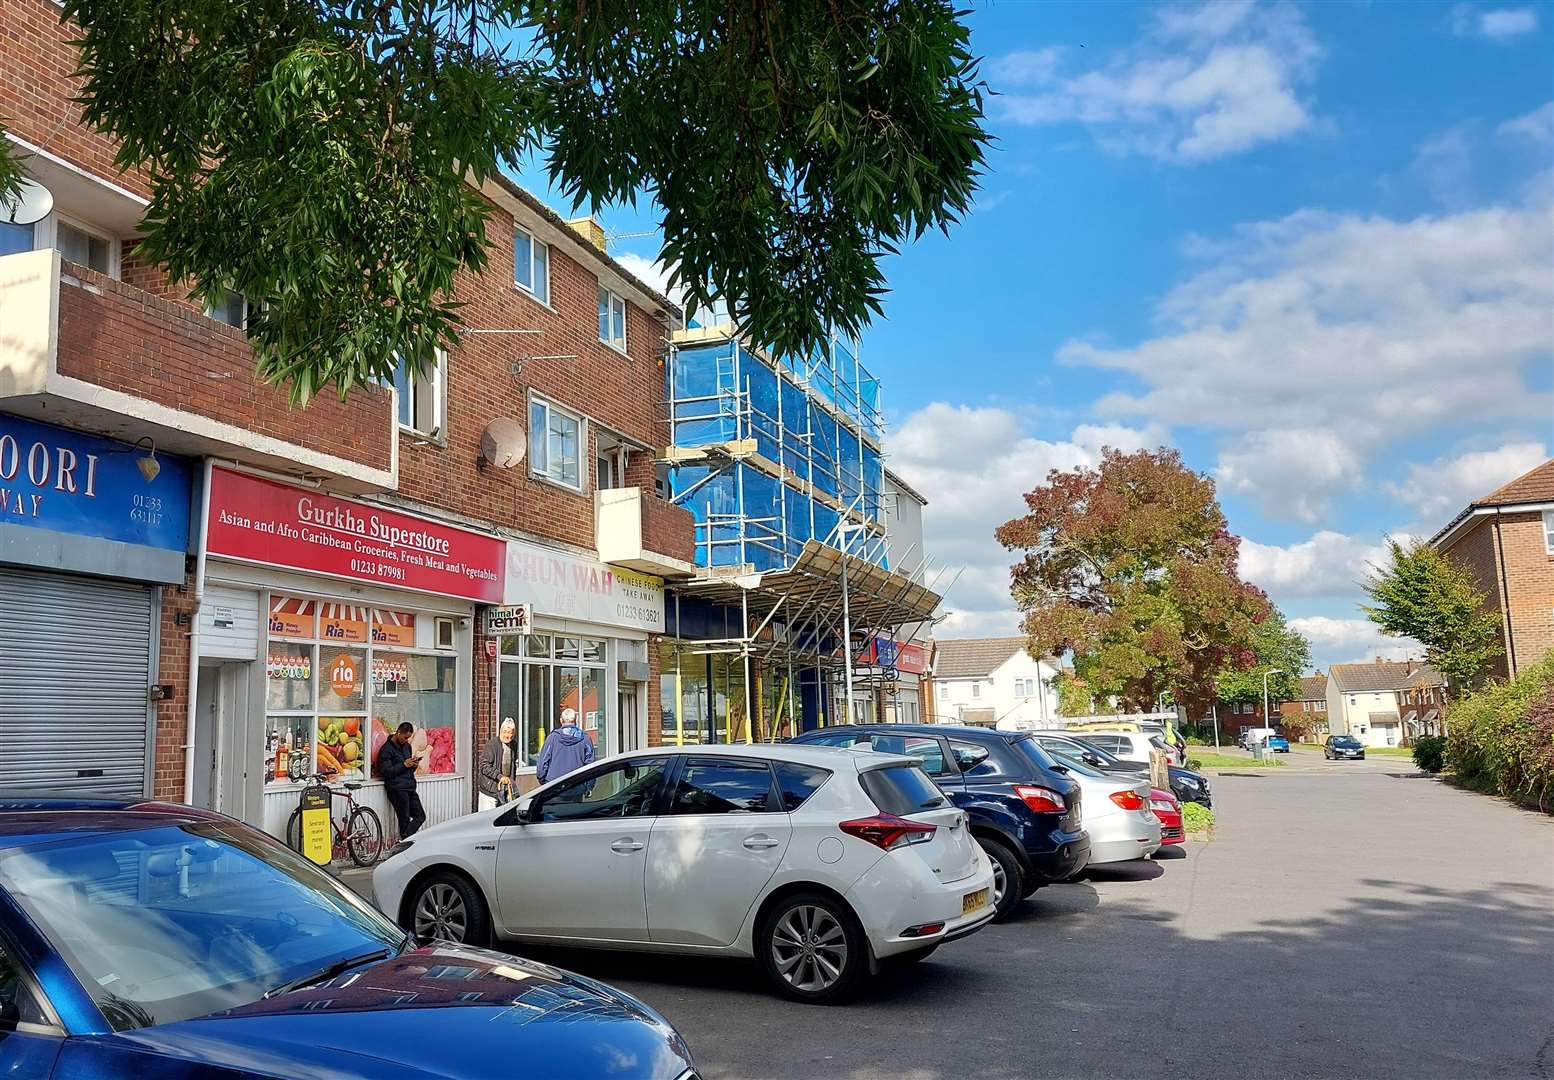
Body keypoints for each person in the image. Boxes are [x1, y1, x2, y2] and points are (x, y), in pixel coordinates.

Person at [378, 721, 426, 838]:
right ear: (398, 733)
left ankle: (405, 838)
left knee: (420, 816)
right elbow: (386, 771)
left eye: (409, 738)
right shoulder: (386, 749)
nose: (407, 740)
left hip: (410, 786)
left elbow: (408, 769)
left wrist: (413, 765)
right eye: (405, 737)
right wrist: (404, 765)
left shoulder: (407, 747)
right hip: (397, 789)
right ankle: (405, 842)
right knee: (404, 819)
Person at [535, 707, 595, 784]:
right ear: (576, 720)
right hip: (577, 785)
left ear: (561, 720)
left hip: (554, 786)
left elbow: (543, 762)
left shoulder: (552, 738)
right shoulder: (585, 739)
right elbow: (590, 765)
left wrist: (543, 781)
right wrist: (589, 786)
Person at [477, 717, 518, 811]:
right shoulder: (491, 745)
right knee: (487, 819)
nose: (508, 735)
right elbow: (484, 765)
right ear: (500, 731)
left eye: (510, 733)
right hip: (489, 790)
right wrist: (499, 776)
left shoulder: (514, 745)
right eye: (505, 732)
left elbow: (513, 765)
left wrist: (511, 781)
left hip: (505, 790)